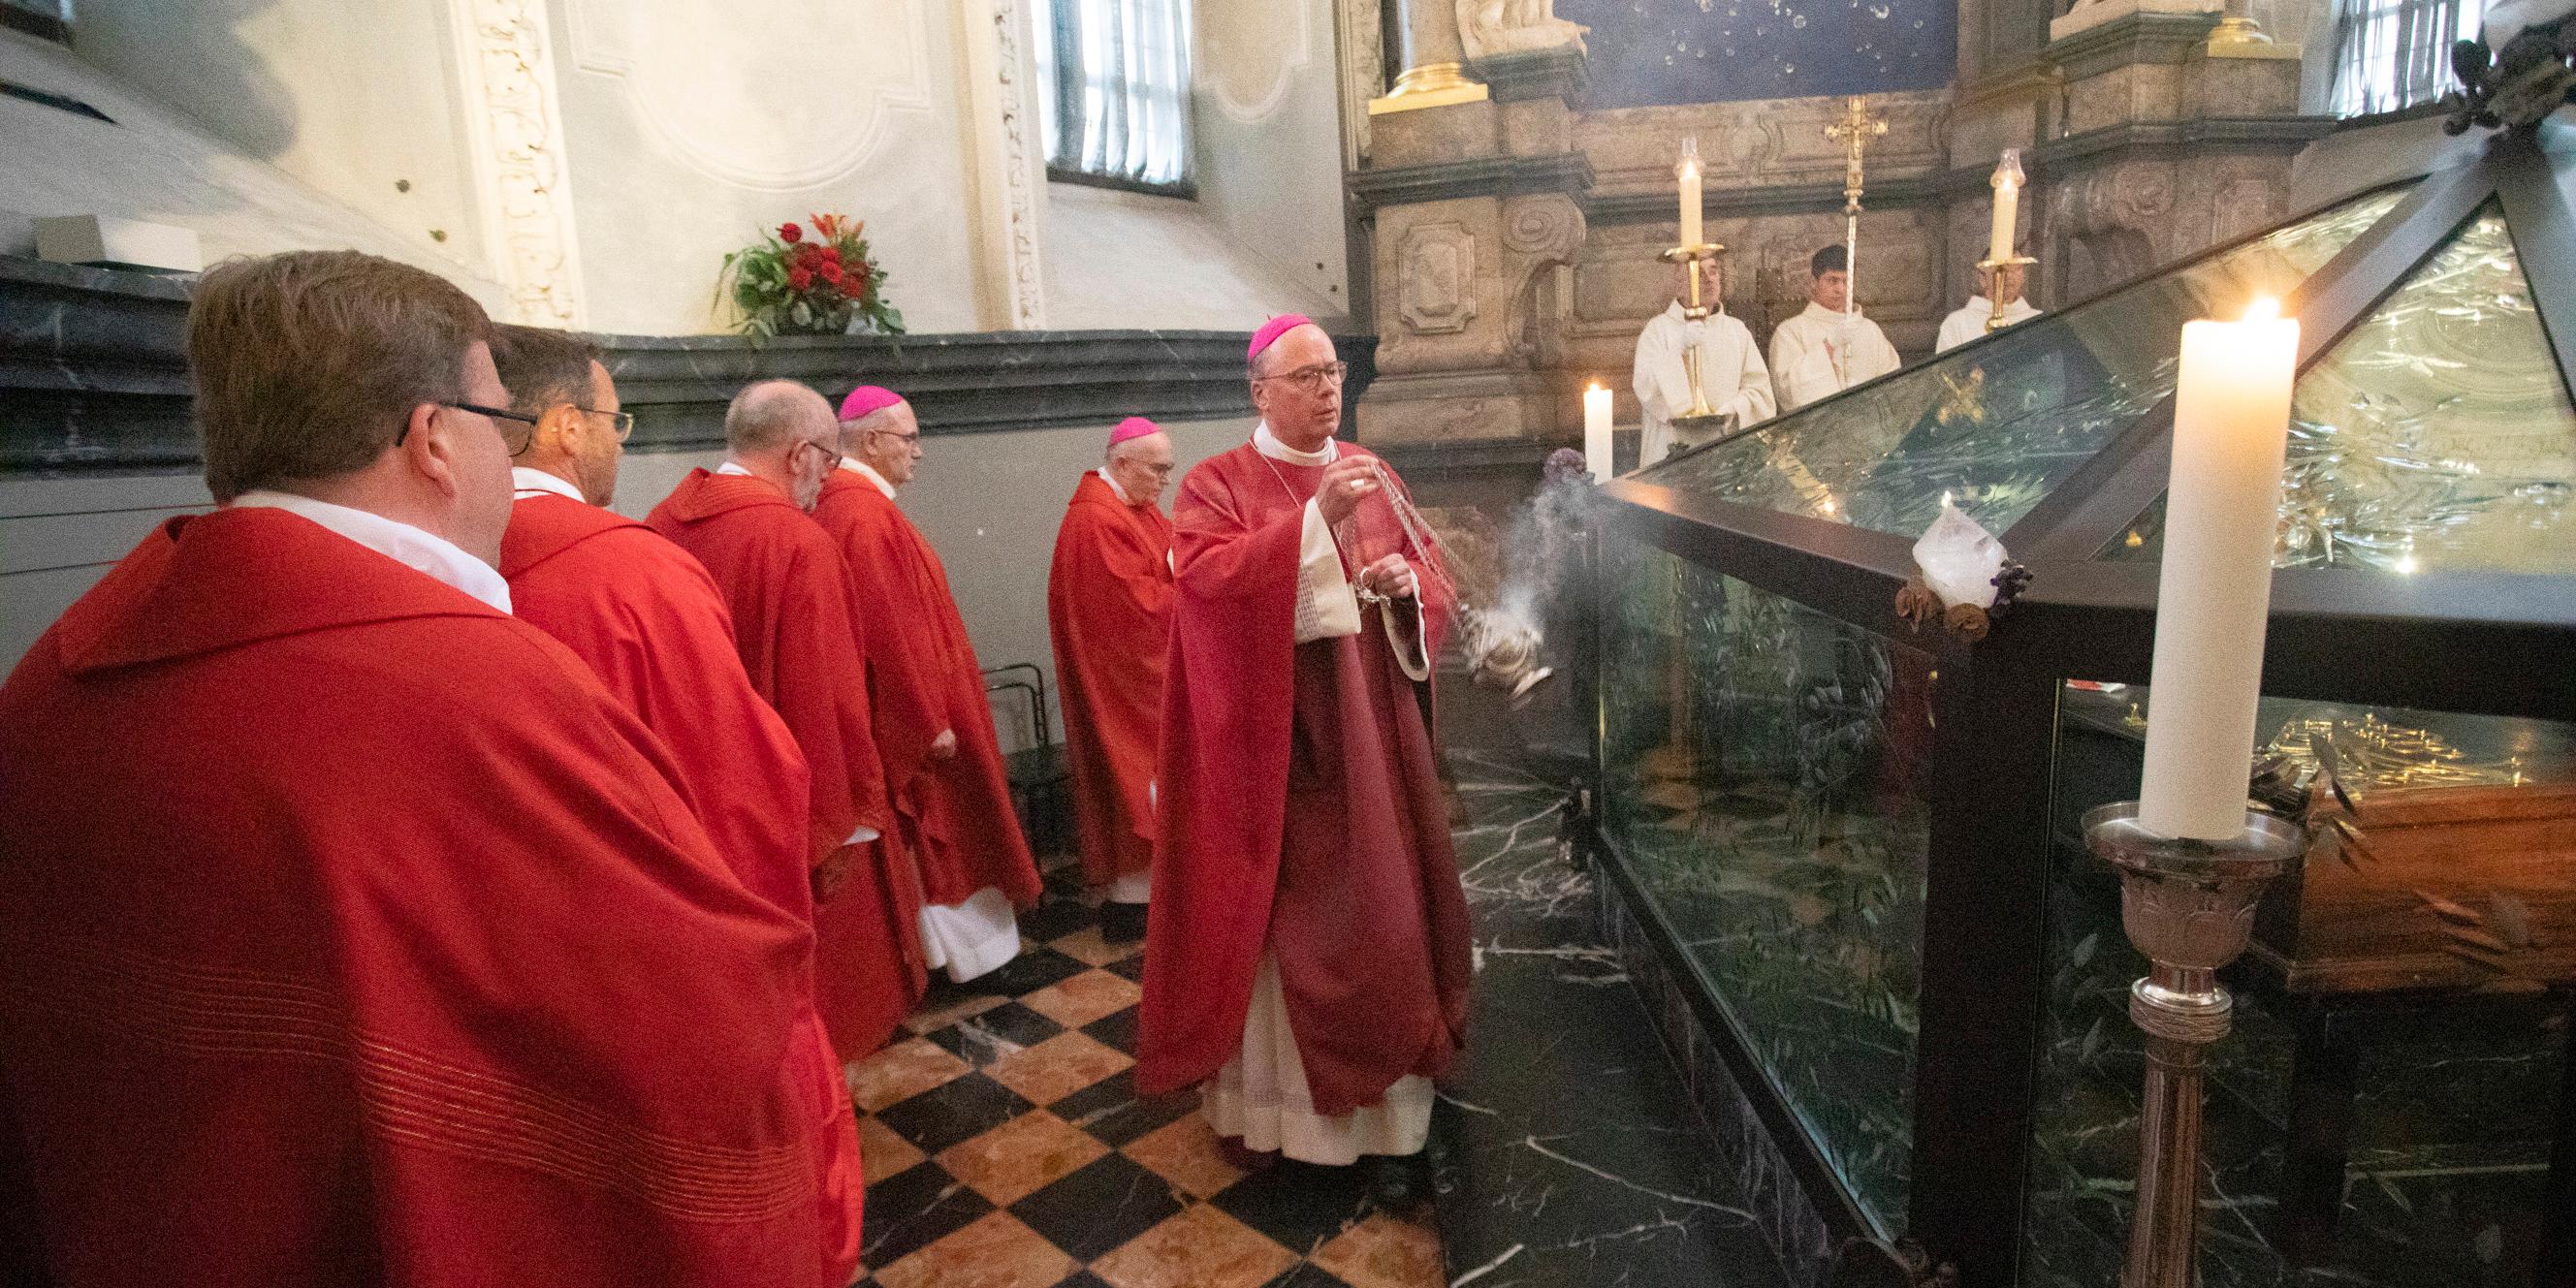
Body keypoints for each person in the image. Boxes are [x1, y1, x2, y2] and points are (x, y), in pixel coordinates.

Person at [0, 250, 828, 1286]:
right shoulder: (481, 688)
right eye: (499, 424)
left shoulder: (55, 669)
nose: (509, 462)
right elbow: (683, 1014)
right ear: (433, 438)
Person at [489, 328, 861, 1286]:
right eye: (614, 422)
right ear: (566, 428)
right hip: (661, 961)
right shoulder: (630, 571)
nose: (620, 442)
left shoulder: (465, 557)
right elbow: (734, 779)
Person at [1137, 314, 1473, 1208]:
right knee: (1286, 921)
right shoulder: (1214, 484)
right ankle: (1285, 1122)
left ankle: (1387, 1117)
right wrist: (1315, 525)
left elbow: (1429, 573)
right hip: (1273, 753)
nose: (1328, 390)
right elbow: (1207, 596)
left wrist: (1404, 590)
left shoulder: (1369, 469)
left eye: (1333, 373)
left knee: (1384, 912)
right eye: (1306, 376)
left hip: (1371, 737)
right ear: (1260, 392)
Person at [645, 380, 927, 1061]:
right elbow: (826, 696)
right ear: (800, 455)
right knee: (827, 991)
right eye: (828, 460)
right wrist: (845, 816)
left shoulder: (660, 523)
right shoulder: (797, 542)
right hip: (787, 796)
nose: (828, 479)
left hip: (697, 792)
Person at [813, 387, 1043, 985]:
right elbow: (888, 631)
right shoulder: (861, 515)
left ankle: (970, 956)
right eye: (909, 438)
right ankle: (976, 962)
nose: (918, 451)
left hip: (934, 697)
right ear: (871, 441)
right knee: (951, 832)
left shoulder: (860, 507)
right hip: (925, 715)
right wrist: (926, 719)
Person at [1045, 416, 1178, 943]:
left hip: (1139, 675)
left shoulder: (1133, 507)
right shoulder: (1098, 520)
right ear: (1122, 464)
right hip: (1125, 684)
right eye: (1158, 469)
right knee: (1137, 777)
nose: (1165, 480)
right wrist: (1199, 593)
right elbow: (1134, 613)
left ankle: (1159, 894)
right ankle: (1134, 905)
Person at [1632, 253, 1775, 466]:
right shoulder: (1658, 330)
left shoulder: (1737, 331)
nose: (1709, 279)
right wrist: (1678, 349)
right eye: (1698, 273)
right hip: (1672, 452)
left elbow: (1759, 392)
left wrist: (1732, 410)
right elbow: (1645, 387)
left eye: (1713, 271)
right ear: (1679, 286)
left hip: (1725, 450)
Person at [1767, 244, 1902, 411]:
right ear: (1814, 282)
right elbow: (1786, 391)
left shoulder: (1870, 330)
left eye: (1846, 281)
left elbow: (1894, 384)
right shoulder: (1790, 332)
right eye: (1832, 280)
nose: (1840, 289)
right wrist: (1828, 347)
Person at [1936, 260, 2043, 352]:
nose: (2008, 275)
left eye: (2016, 268)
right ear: (1983, 279)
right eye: (1999, 268)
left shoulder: (2040, 321)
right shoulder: (1957, 323)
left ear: (2023, 276)